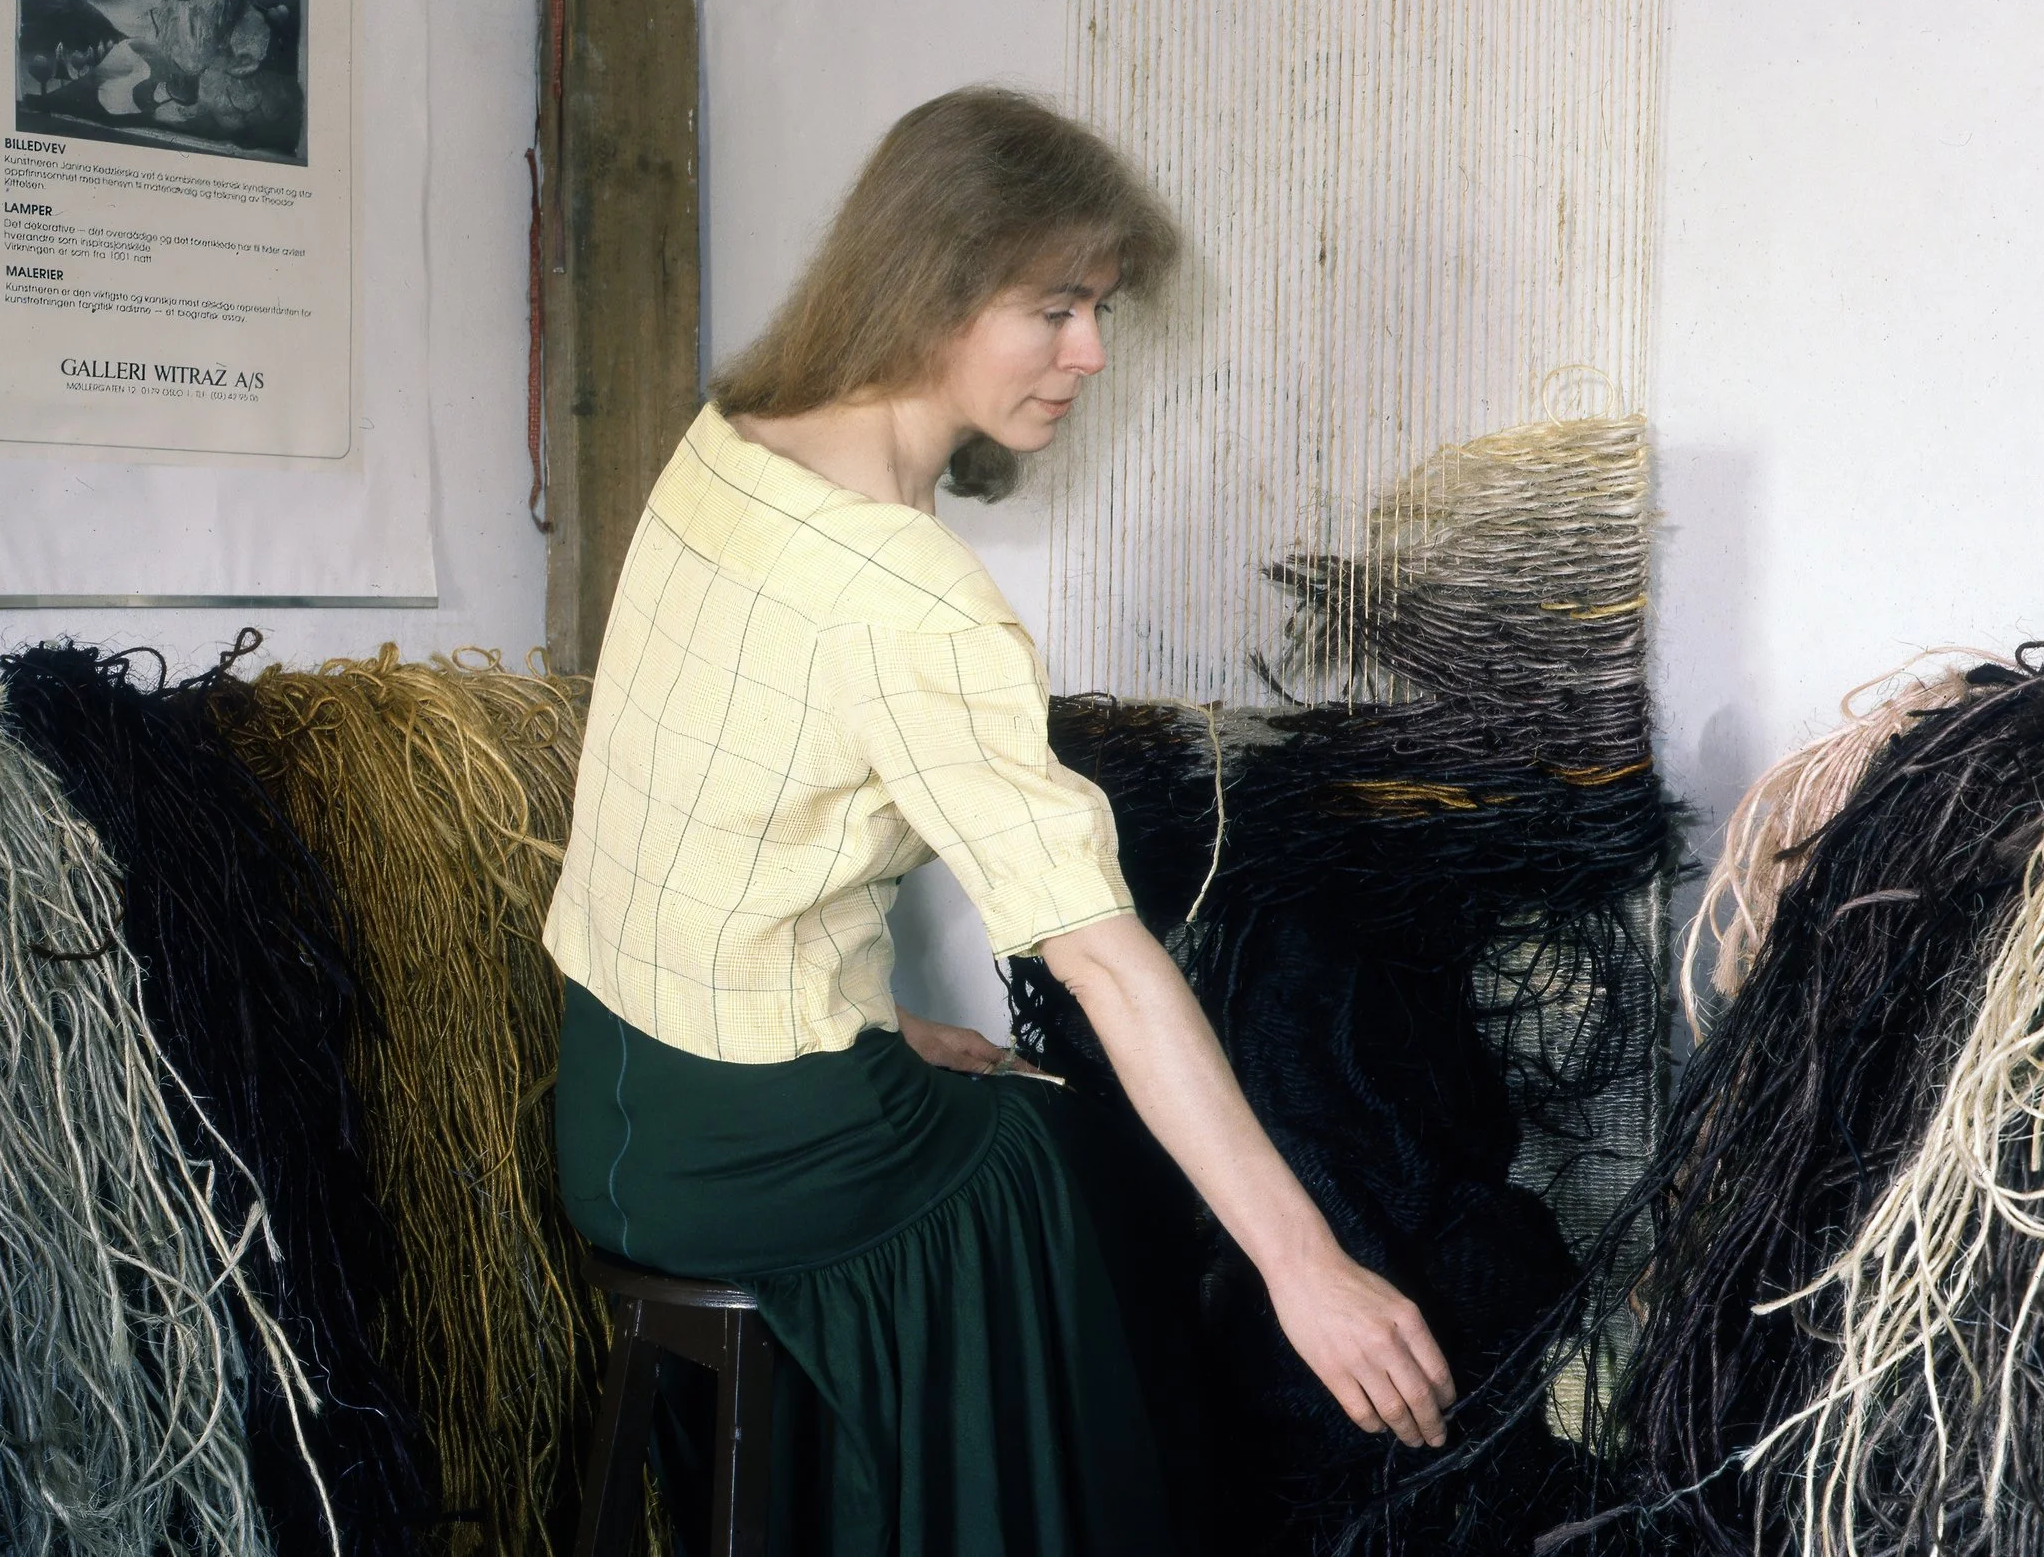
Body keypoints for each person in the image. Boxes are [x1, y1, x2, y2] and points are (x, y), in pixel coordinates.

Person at [544, 85, 1453, 1555]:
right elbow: (1101, 957)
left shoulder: (728, 451)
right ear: (932, 290)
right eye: (1056, 308)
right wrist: (1309, 1270)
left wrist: (882, 1023)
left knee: (1013, 1106)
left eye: (1098, 308)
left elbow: (696, 829)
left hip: (617, 1107)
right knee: (1077, 1169)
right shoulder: (911, 593)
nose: (1090, 351)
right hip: (756, 1156)